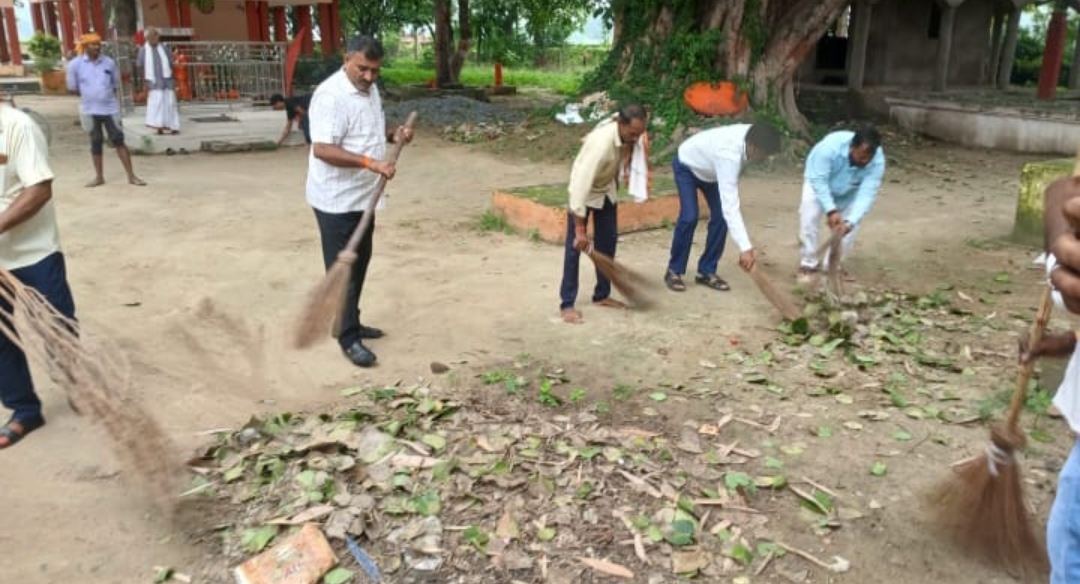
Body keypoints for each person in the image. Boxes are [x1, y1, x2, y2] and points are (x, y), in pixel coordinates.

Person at [305, 35, 413, 368]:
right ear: (346, 58)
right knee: (344, 270)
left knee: (361, 260)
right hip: (335, 200)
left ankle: (348, 319)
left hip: (363, 197)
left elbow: (368, 130)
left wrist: (394, 134)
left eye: (375, 71)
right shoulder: (330, 96)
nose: (369, 77)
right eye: (362, 69)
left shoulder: (370, 90)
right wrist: (372, 163)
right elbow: (322, 149)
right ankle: (348, 338)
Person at [0, 98, 77, 448]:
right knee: (1, 338)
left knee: (57, 326)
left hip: (35, 253)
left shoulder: (17, 126)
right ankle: (24, 410)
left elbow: (39, 190)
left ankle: (80, 388)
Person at [664, 123, 783, 292]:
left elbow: (726, 211)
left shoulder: (754, 133)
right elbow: (731, 206)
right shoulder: (729, 155)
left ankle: (707, 270)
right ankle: (673, 270)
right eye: (764, 155)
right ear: (753, 147)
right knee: (690, 216)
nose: (764, 159)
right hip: (687, 165)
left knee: (720, 217)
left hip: (712, 171)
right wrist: (745, 248)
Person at [559, 104, 648, 324]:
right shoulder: (600, 145)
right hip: (584, 194)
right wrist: (580, 230)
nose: (636, 138)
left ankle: (602, 295)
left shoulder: (629, 137)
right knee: (574, 250)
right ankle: (567, 304)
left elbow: (626, 155)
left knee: (607, 244)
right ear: (620, 124)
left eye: (640, 133)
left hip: (606, 191)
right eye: (632, 133)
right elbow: (580, 186)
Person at [797, 126, 884, 282]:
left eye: (869, 158)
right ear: (852, 147)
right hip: (818, 183)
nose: (865, 162)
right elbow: (819, 180)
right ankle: (808, 263)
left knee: (849, 230)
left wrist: (850, 223)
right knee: (809, 219)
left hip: (850, 191)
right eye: (862, 156)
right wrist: (831, 210)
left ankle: (831, 266)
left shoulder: (877, 162)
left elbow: (866, 194)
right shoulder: (828, 148)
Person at [66, 32, 145, 187]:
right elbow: (72, 88)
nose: (97, 47)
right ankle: (99, 177)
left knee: (119, 141)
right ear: (85, 47)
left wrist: (104, 96)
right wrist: (90, 96)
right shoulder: (75, 64)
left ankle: (131, 176)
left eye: (98, 44)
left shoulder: (108, 62)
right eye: (93, 44)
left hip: (109, 109)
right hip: (89, 110)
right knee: (95, 142)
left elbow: (115, 84)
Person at [136, 27, 181, 135]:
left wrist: (174, 79)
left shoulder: (165, 48)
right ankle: (158, 126)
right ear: (147, 38)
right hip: (153, 82)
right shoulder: (143, 50)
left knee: (170, 104)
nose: (154, 38)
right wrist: (144, 82)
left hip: (167, 81)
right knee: (157, 104)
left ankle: (173, 126)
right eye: (151, 36)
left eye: (155, 36)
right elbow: (140, 66)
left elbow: (171, 64)